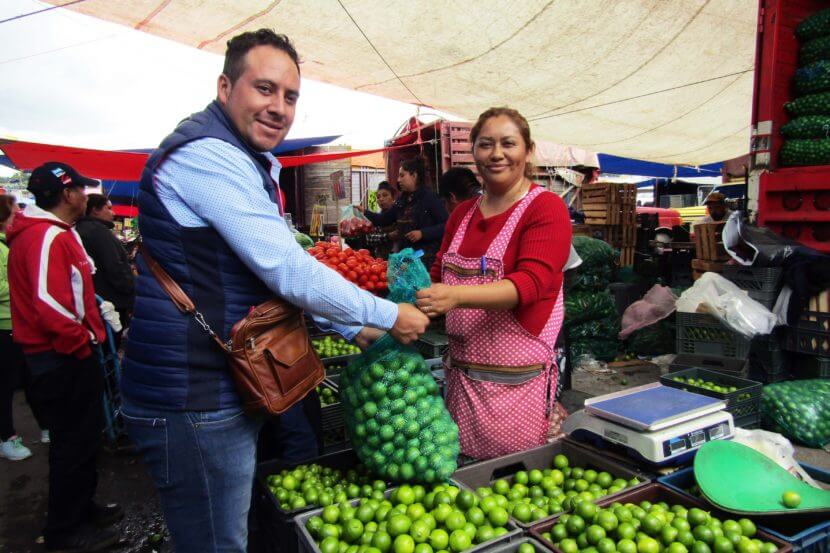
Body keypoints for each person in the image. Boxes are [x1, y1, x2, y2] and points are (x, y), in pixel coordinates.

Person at [120, 29, 428, 553]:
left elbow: (264, 276)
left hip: (216, 386)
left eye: (290, 96)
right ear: (225, 87)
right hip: (193, 395)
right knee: (217, 544)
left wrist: (352, 325)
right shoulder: (207, 156)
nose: (278, 107)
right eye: (264, 89)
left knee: (227, 533)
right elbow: (287, 269)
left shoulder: (242, 158)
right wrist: (388, 313)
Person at [418, 107, 572, 460]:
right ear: (473, 152)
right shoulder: (462, 214)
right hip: (461, 382)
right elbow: (440, 271)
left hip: (516, 388)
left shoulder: (545, 209)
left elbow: (529, 285)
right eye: (486, 144)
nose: (496, 154)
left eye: (508, 143)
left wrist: (454, 296)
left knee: (512, 483)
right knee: (462, 479)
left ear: (527, 150)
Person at [6, 163, 121, 551]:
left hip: (67, 352)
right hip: (60, 356)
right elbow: (47, 302)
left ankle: (81, 508)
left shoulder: (57, 233)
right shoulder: (44, 238)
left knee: (83, 439)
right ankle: (65, 531)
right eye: (79, 190)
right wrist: (84, 339)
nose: (85, 196)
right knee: (73, 443)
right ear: (65, 194)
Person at [1, 195, 49, 461]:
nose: (18, 214)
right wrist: (27, 284)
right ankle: (6, 438)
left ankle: (45, 426)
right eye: (12, 211)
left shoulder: (9, 243)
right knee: (6, 386)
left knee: (31, 380)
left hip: (20, 323)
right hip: (4, 326)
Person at [362, 157, 448, 266]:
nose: (398, 180)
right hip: (406, 256)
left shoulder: (430, 198)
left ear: (414, 175)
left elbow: (446, 225)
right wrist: (364, 212)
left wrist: (423, 233)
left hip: (425, 256)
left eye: (402, 175)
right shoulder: (402, 199)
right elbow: (384, 219)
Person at [76, 193, 135, 338]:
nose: (113, 213)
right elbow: (115, 268)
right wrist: (132, 287)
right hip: (109, 304)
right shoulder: (97, 232)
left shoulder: (80, 230)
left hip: (93, 302)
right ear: (95, 210)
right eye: (108, 208)